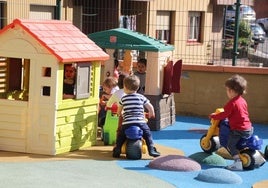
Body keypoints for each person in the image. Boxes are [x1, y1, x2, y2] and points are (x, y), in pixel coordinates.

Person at [209, 74, 253, 171]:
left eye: (227, 90)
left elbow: (224, 115)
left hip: (239, 130)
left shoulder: (232, 103)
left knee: (230, 144)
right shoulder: (242, 101)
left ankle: (237, 163)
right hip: (248, 128)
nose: (227, 92)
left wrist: (214, 116)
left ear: (231, 91)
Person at [112, 75, 160, 158]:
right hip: (140, 122)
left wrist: (118, 114)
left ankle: (118, 149)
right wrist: (151, 113)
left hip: (127, 123)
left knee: (121, 135)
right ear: (137, 88)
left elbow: (119, 109)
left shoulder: (123, 98)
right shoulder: (141, 97)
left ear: (124, 87)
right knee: (147, 134)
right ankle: (151, 149)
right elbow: (150, 106)